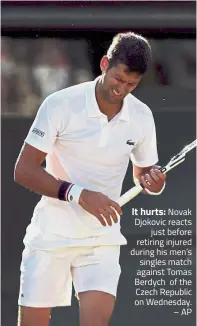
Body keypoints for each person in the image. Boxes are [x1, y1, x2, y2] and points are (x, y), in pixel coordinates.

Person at [15, 32, 166, 326]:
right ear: (104, 63)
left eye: (131, 84)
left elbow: (143, 175)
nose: (122, 89)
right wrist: (80, 194)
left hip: (101, 238)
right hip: (51, 235)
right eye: (118, 79)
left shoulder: (142, 116)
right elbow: (24, 170)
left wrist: (153, 183)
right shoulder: (60, 104)